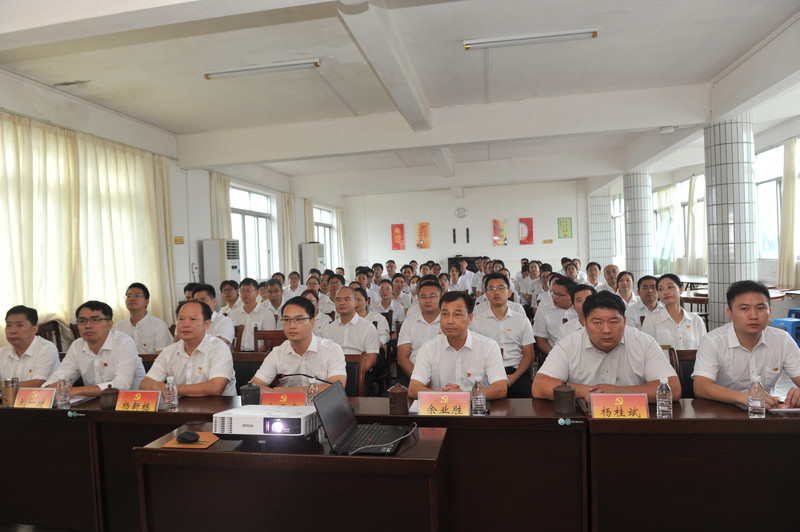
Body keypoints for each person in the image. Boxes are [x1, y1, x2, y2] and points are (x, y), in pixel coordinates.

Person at [532, 291, 681, 402]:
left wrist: (620, 392)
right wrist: (585, 391)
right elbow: (540, 386)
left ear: (625, 321)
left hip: (634, 418)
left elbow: (673, 388)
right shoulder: (569, 344)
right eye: (597, 323)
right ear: (584, 323)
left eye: (613, 322)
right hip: (586, 419)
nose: (606, 330)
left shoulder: (643, 342)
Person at [693, 280, 800, 407]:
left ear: (770, 312)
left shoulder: (783, 340)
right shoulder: (713, 341)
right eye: (744, 309)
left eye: (760, 308)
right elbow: (701, 387)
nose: (753, 315)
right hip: (722, 411)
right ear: (730, 313)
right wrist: (743, 397)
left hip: (764, 413)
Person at [409, 291, 507, 399]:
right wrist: (444, 396)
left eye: (457, 315)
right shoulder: (428, 348)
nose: (449, 321)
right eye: (445, 314)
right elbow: (413, 388)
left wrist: (463, 396)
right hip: (442, 406)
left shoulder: (489, 346)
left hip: (476, 407)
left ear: (470, 318)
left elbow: (500, 388)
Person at [44, 301, 146, 396]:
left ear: (109, 324)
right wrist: (50, 386)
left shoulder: (124, 342)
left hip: (130, 401)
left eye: (95, 320)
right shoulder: (77, 345)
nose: (88, 326)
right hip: (93, 401)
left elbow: (123, 384)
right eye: (82, 321)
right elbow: (61, 374)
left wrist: (77, 390)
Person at [140, 300, 236, 396]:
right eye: (181, 319)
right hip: (181, 405)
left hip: (218, 405)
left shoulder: (218, 348)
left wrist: (172, 389)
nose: (185, 324)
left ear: (206, 324)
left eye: (193, 319)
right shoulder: (169, 351)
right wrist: (172, 389)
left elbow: (215, 388)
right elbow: (145, 384)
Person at [251, 297, 347, 391]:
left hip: (322, 402)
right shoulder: (277, 353)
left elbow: (337, 387)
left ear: (312, 322)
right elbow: (254, 386)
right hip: (286, 401)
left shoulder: (331, 350)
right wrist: (275, 392)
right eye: (287, 320)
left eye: (299, 319)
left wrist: (287, 391)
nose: (292, 326)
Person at [470, 273, 534, 398]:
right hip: (486, 373)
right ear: (486, 294)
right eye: (491, 289)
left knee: (528, 401)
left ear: (509, 292)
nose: (496, 292)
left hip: (515, 372)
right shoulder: (477, 322)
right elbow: (474, 354)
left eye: (501, 288)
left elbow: (529, 354)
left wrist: (513, 377)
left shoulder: (521, 320)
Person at [321, 286, 380, 393]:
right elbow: (323, 357)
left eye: (347, 299)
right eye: (338, 300)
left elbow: (372, 359)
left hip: (360, 374)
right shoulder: (328, 329)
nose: (342, 303)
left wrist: (357, 374)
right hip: (333, 374)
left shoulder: (368, 327)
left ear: (355, 302)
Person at [641, 274, 706, 349]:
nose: (665, 292)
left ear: (681, 290)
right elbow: (645, 349)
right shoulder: (651, 320)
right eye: (660, 289)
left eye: (670, 287)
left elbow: (705, 349)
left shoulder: (696, 320)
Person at [397, 280, 442, 387]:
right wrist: (421, 379)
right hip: (414, 374)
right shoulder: (409, 323)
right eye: (423, 297)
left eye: (432, 296)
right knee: (393, 394)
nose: (428, 300)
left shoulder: (449, 322)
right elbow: (402, 358)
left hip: (444, 377)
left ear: (441, 298)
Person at [1, 305, 59, 387]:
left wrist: (4, 386)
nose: (12, 331)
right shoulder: (2, 352)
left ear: (34, 329)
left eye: (19, 325)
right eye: (9, 325)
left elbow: (38, 383)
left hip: (37, 395)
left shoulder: (47, 349)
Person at [114, 283, 173, 354]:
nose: (131, 299)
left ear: (147, 301)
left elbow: (162, 357)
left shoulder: (158, 325)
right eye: (129, 296)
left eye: (137, 295)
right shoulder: (119, 327)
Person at [533, 275, 575, 357]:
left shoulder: (580, 307)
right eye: (554, 293)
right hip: (554, 353)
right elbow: (541, 341)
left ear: (572, 296)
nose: (554, 297)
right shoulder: (544, 306)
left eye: (560, 295)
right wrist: (557, 357)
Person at [228, 278, 271, 351]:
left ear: (257, 292)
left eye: (249, 290)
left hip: (259, 354)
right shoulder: (233, 313)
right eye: (243, 291)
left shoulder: (266, 314)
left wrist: (257, 354)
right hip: (237, 353)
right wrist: (233, 353)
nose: (245, 293)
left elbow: (270, 339)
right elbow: (229, 337)